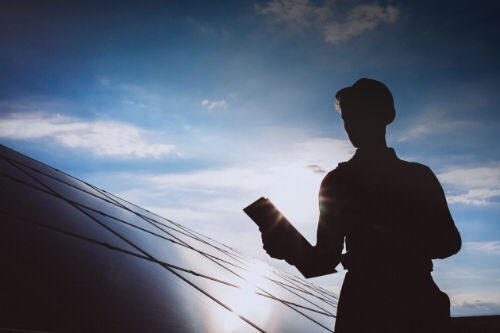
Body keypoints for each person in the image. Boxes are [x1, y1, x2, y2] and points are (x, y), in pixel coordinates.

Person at [260, 78, 461, 332]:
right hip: (392, 303)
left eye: (359, 114)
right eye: (347, 117)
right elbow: (322, 262)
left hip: (382, 305)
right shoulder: (345, 181)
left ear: (386, 116)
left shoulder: (343, 181)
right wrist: (285, 246)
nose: (351, 124)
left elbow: (450, 242)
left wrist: (385, 248)